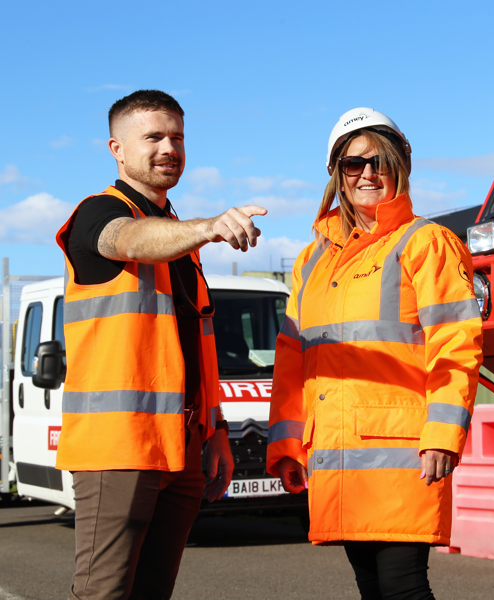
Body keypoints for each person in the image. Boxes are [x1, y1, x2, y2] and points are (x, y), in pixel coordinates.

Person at [54, 89, 267, 600]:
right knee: (103, 595)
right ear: (117, 150)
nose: (169, 147)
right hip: (120, 449)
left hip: (185, 446)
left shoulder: (179, 237)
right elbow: (126, 239)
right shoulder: (98, 213)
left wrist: (215, 432)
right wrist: (211, 227)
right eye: (153, 136)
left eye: (177, 137)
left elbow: (194, 347)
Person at [266, 107, 483, 600]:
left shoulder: (426, 243)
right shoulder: (311, 260)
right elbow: (292, 360)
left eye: (379, 162)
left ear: (400, 167)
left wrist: (444, 435)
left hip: (404, 452)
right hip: (336, 454)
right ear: (336, 174)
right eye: (353, 164)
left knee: (403, 588)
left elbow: (456, 340)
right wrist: (286, 443)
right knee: (371, 588)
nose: (368, 174)